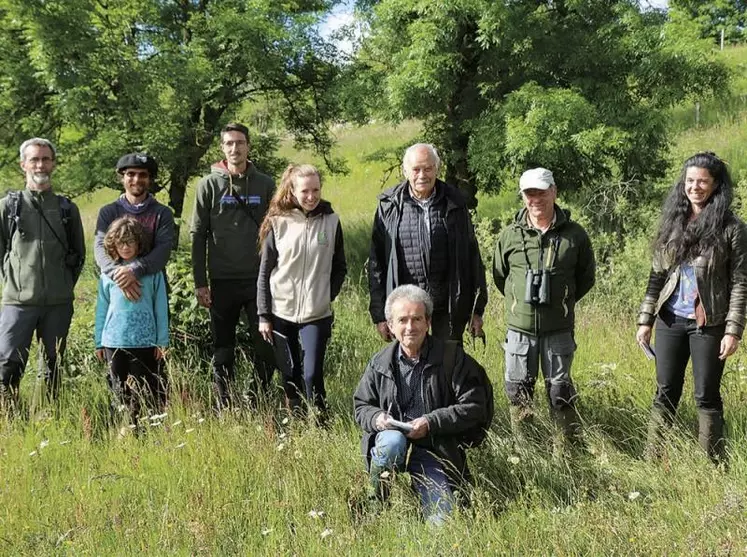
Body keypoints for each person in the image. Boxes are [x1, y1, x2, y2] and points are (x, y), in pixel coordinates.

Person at [636, 152, 747, 463]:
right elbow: (656, 276)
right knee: (665, 391)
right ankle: (653, 458)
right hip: (670, 320)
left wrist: (733, 329)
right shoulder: (672, 223)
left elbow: (741, 283)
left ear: (715, 186)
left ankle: (711, 463)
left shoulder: (732, 228)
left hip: (710, 323)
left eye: (702, 181)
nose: (695, 187)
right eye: (689, 181)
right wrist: (645, 320)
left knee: (706, 394)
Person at [354, 285, 488, 526]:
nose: (409, 327)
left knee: (442, 523)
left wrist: (431, 422)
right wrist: (377, 419)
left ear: (427, 322)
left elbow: (475, 405)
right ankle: (377, 503)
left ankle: (424, 490)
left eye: (417, 318)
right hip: (393, 441)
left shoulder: (452, 358)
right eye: (402, 320)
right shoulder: (379, 363)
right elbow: (361, 405)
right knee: (392, 441)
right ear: (390, 326)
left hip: (434, 447)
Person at [493, 168, 595, 446]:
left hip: (558, 329)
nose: (535, 198)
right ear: (523, 196)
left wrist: (561, 302)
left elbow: (585, 278)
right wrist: (518, 305)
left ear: (554, 191)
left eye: (541, 191)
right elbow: (500, 276)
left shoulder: (575, 236)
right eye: (529, 193)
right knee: (518, 391)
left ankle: (567, 453)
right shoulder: (509, 236)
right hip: (520, 331)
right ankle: (526, 452)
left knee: (560, 391)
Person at [191, 122, 276, 409]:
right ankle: (223, 403)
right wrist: (200, 282)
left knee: (265, 345)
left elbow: (276, 232)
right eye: (229, 143)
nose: (234, 148)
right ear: (222, 148)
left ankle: (257, 400)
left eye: (239, 142)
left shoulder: (265, 184)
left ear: (248, 146)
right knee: (223, 347)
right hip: (221, 280)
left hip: (258, 280)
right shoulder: (208, 185)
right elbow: (198, 235)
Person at [368, 143, 487, 343]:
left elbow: (472, 255)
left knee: (448, 368)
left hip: (448, 306)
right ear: (405, 171)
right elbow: (376, 263)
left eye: (428, 168)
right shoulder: (389, 205)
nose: (422, 175)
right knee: (411, 368)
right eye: (416, 169)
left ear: (436, 169)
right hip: (406, 309)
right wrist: (380, 315)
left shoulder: (455, 201)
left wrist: (476, 309)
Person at [0, 138, 86, 408]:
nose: (40, 164)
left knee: (53, 367)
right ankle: (10, 421)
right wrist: (15, 283)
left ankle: (48, 420)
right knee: (8, 365)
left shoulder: (66, 209)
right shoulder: (8, 207)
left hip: (58, 304)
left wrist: (62, 285)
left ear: (54, 164)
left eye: (46, 159)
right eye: (35, 159)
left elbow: (78, 255)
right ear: (23, 164)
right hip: (18, 303)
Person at [257, 164, 346, 417]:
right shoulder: (278, 223)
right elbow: (265, 273)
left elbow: (340, 266)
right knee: (290, 373)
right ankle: (296, 419)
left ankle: (320, 419)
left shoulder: (331, 221)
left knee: (312, 373)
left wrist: (325, 295)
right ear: (293, 191)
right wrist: (264, 315)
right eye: (305, 191)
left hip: (316, 314)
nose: (311, 196)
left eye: (315, 190)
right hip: (281, 312)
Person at [95, 216, 169, 426]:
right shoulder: (107, 276)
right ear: (113, 245)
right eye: (120, 242)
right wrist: (99, 341)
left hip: (146, 342)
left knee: (147, 391)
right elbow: (101, 309)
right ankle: (122, 431)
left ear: (139, 243)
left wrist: (162, 341)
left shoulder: (153, 274)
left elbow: (161, 308)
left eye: (130, 242)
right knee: (119, 390)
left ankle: (146, 432)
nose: (125, 247)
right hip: (114, 341)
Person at [94, 153, 174, 302]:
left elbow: (163, 250)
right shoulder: (108, 212)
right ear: (122, 177)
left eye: (143, 175)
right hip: (115, 289)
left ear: (150, 179)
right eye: (130, 174)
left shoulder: (162, 213)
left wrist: (134, 270)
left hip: (152, 290)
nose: (136, 179)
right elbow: (100, 247)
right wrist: (120, 275)